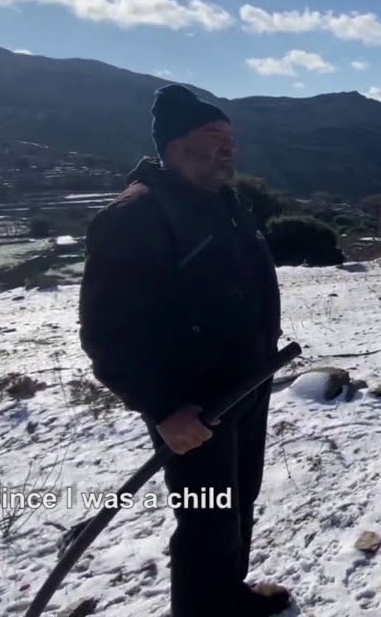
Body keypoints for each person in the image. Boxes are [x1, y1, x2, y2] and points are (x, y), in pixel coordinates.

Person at [77, 84, 290, 616]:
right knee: (207, 514)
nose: (229, 147)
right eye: (213, 136)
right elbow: (107, 333)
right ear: (174, 145)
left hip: (245, 384)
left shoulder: (225, 203)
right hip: (190, 403)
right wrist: (163, 409)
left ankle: (227, 596)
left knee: (240, 498)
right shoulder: (134, 217)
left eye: (230, 138)